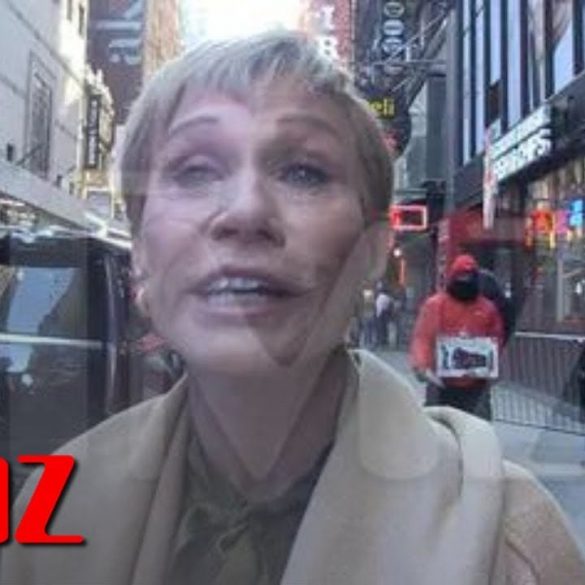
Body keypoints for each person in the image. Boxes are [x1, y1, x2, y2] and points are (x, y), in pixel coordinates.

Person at [3, 31, 585, 585]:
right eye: (195, 171)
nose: (245, 212)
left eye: (303, 172)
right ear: (141, 254)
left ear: (372, 249)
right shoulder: (57, 513)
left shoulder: (514, 547)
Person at [410, 254, 504, 421]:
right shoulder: (435, 305)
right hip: (440, 382)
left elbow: (496, 341)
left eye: (468, 277)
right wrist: (422, 365)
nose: (465, 281)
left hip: (475, 384)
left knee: (476, 429)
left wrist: (494, 366)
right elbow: (423, 337)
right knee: (439, 430)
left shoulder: (488, 309)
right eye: (461, 277)